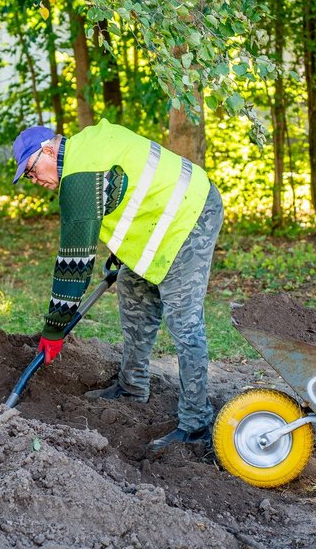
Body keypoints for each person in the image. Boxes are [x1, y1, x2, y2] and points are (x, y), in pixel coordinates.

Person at [12, 119, 223, 452]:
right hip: (162, 219)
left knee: (184, 322)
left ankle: (196, 424)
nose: (34, 180)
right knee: (133, 291)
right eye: (28, 177)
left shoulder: (78, 177)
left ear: (48, 151)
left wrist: (54, 331)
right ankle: (132, 386)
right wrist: (120, 250)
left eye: (31, 170)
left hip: (192, 213)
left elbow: (73, 266)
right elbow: (126, 190)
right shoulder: (86, 147)